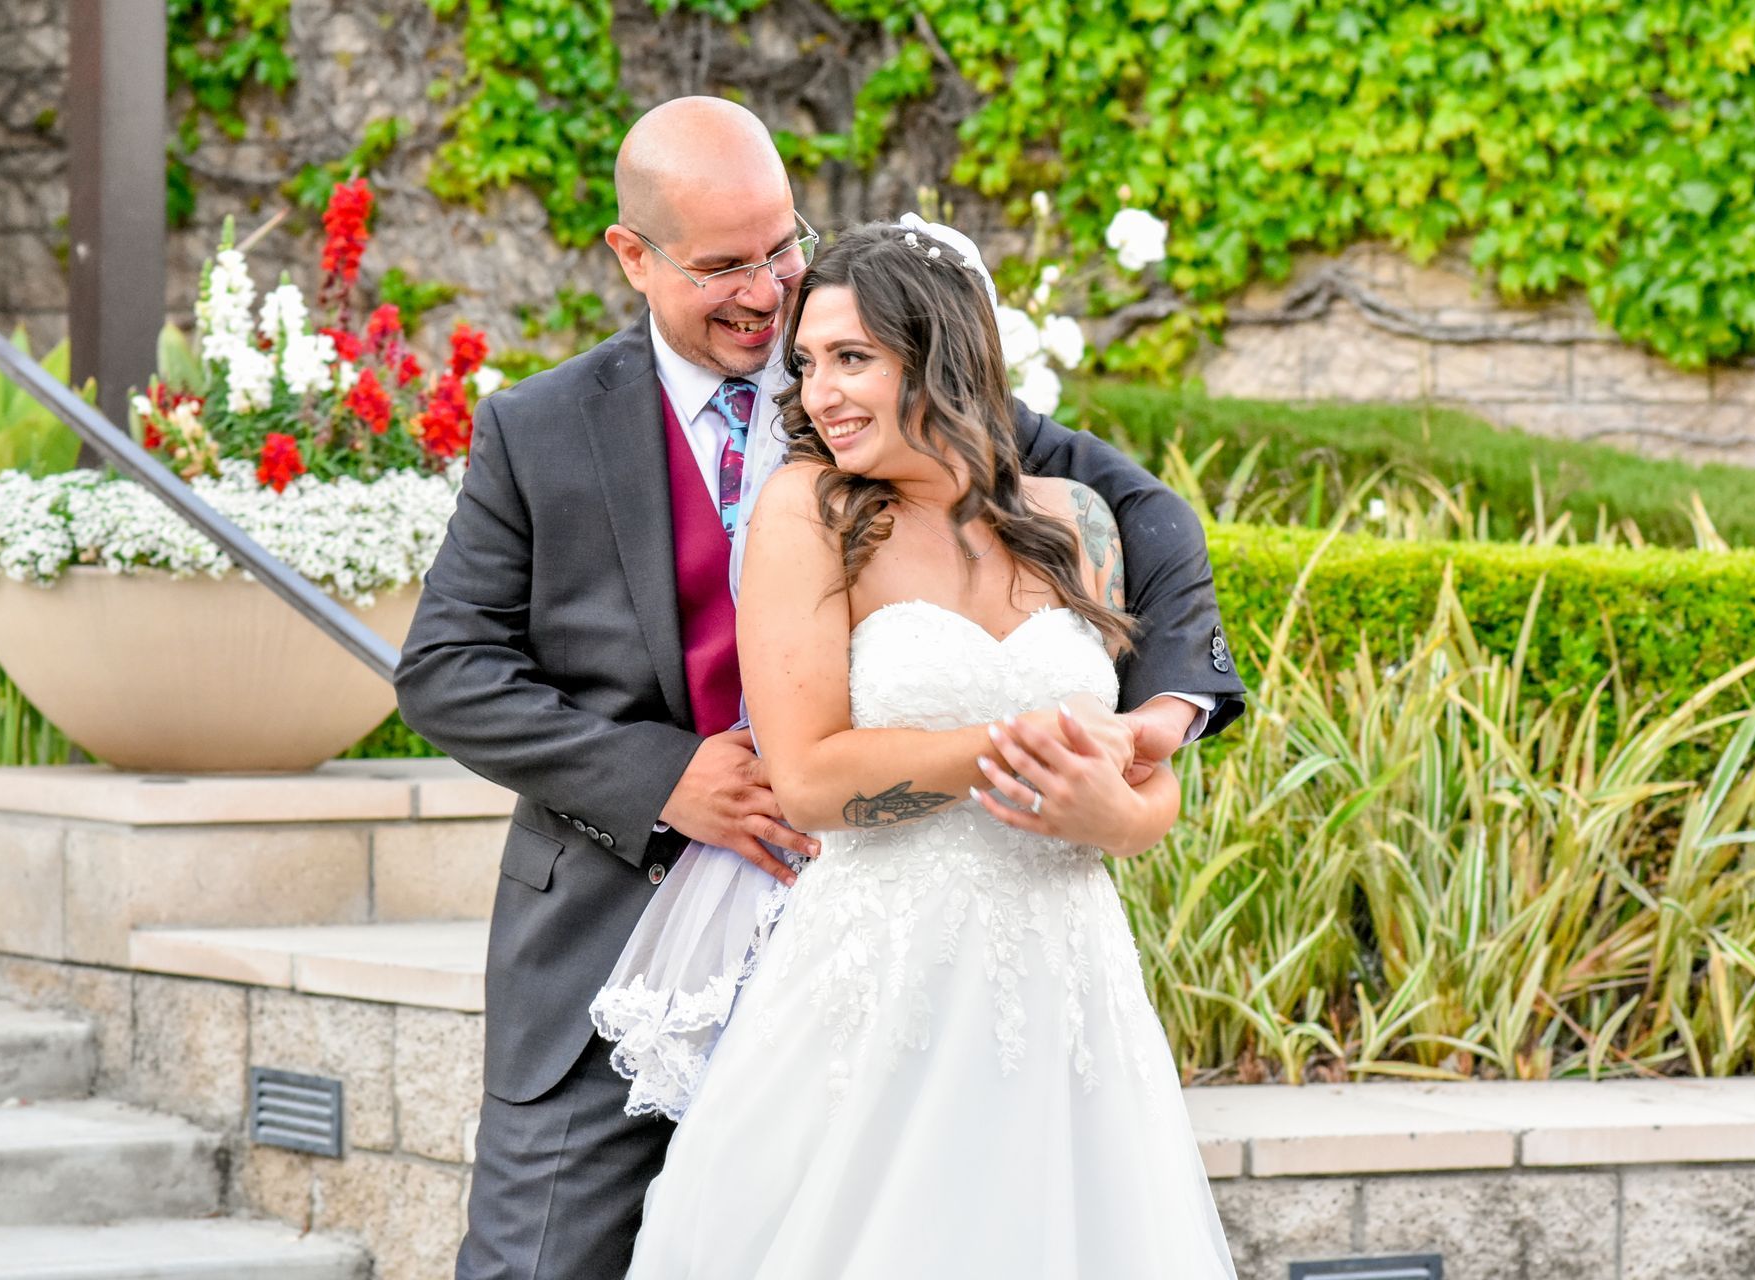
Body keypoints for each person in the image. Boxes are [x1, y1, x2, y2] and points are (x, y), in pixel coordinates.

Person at [393, 96, 1244, 1280]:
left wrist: (1157, 723)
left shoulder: (907, 383)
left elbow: (1146, 520)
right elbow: (446, 667)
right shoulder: (540, 431)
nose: (768, 290)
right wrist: (664, 776)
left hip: (900, 931)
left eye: (782, 247)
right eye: (724, 266)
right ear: (632, 258)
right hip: (621, 915)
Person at [620, 219, 1237, 1277]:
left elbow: (1145, 782)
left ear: (943, 354)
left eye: (853, 358)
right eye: (808, 364)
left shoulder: (1076, 520)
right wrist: (1009, 745)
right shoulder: (809, 511)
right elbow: (809, 777)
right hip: (883, 987)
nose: (819, 393)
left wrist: (1116, 816)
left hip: (1068, 983)